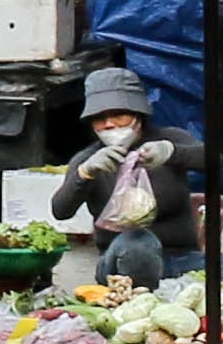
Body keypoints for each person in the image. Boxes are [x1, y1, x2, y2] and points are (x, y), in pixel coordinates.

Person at [46, 65, 201, 287]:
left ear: (138, 114)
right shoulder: (89, 158)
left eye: (119, 115)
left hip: (182, 260)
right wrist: (85, 173)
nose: (109, 124)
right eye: (99, 118)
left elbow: (216, 162)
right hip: (121, 262)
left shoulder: (171, 138)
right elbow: (61, 211)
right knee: (139, 241)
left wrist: (171, 152)